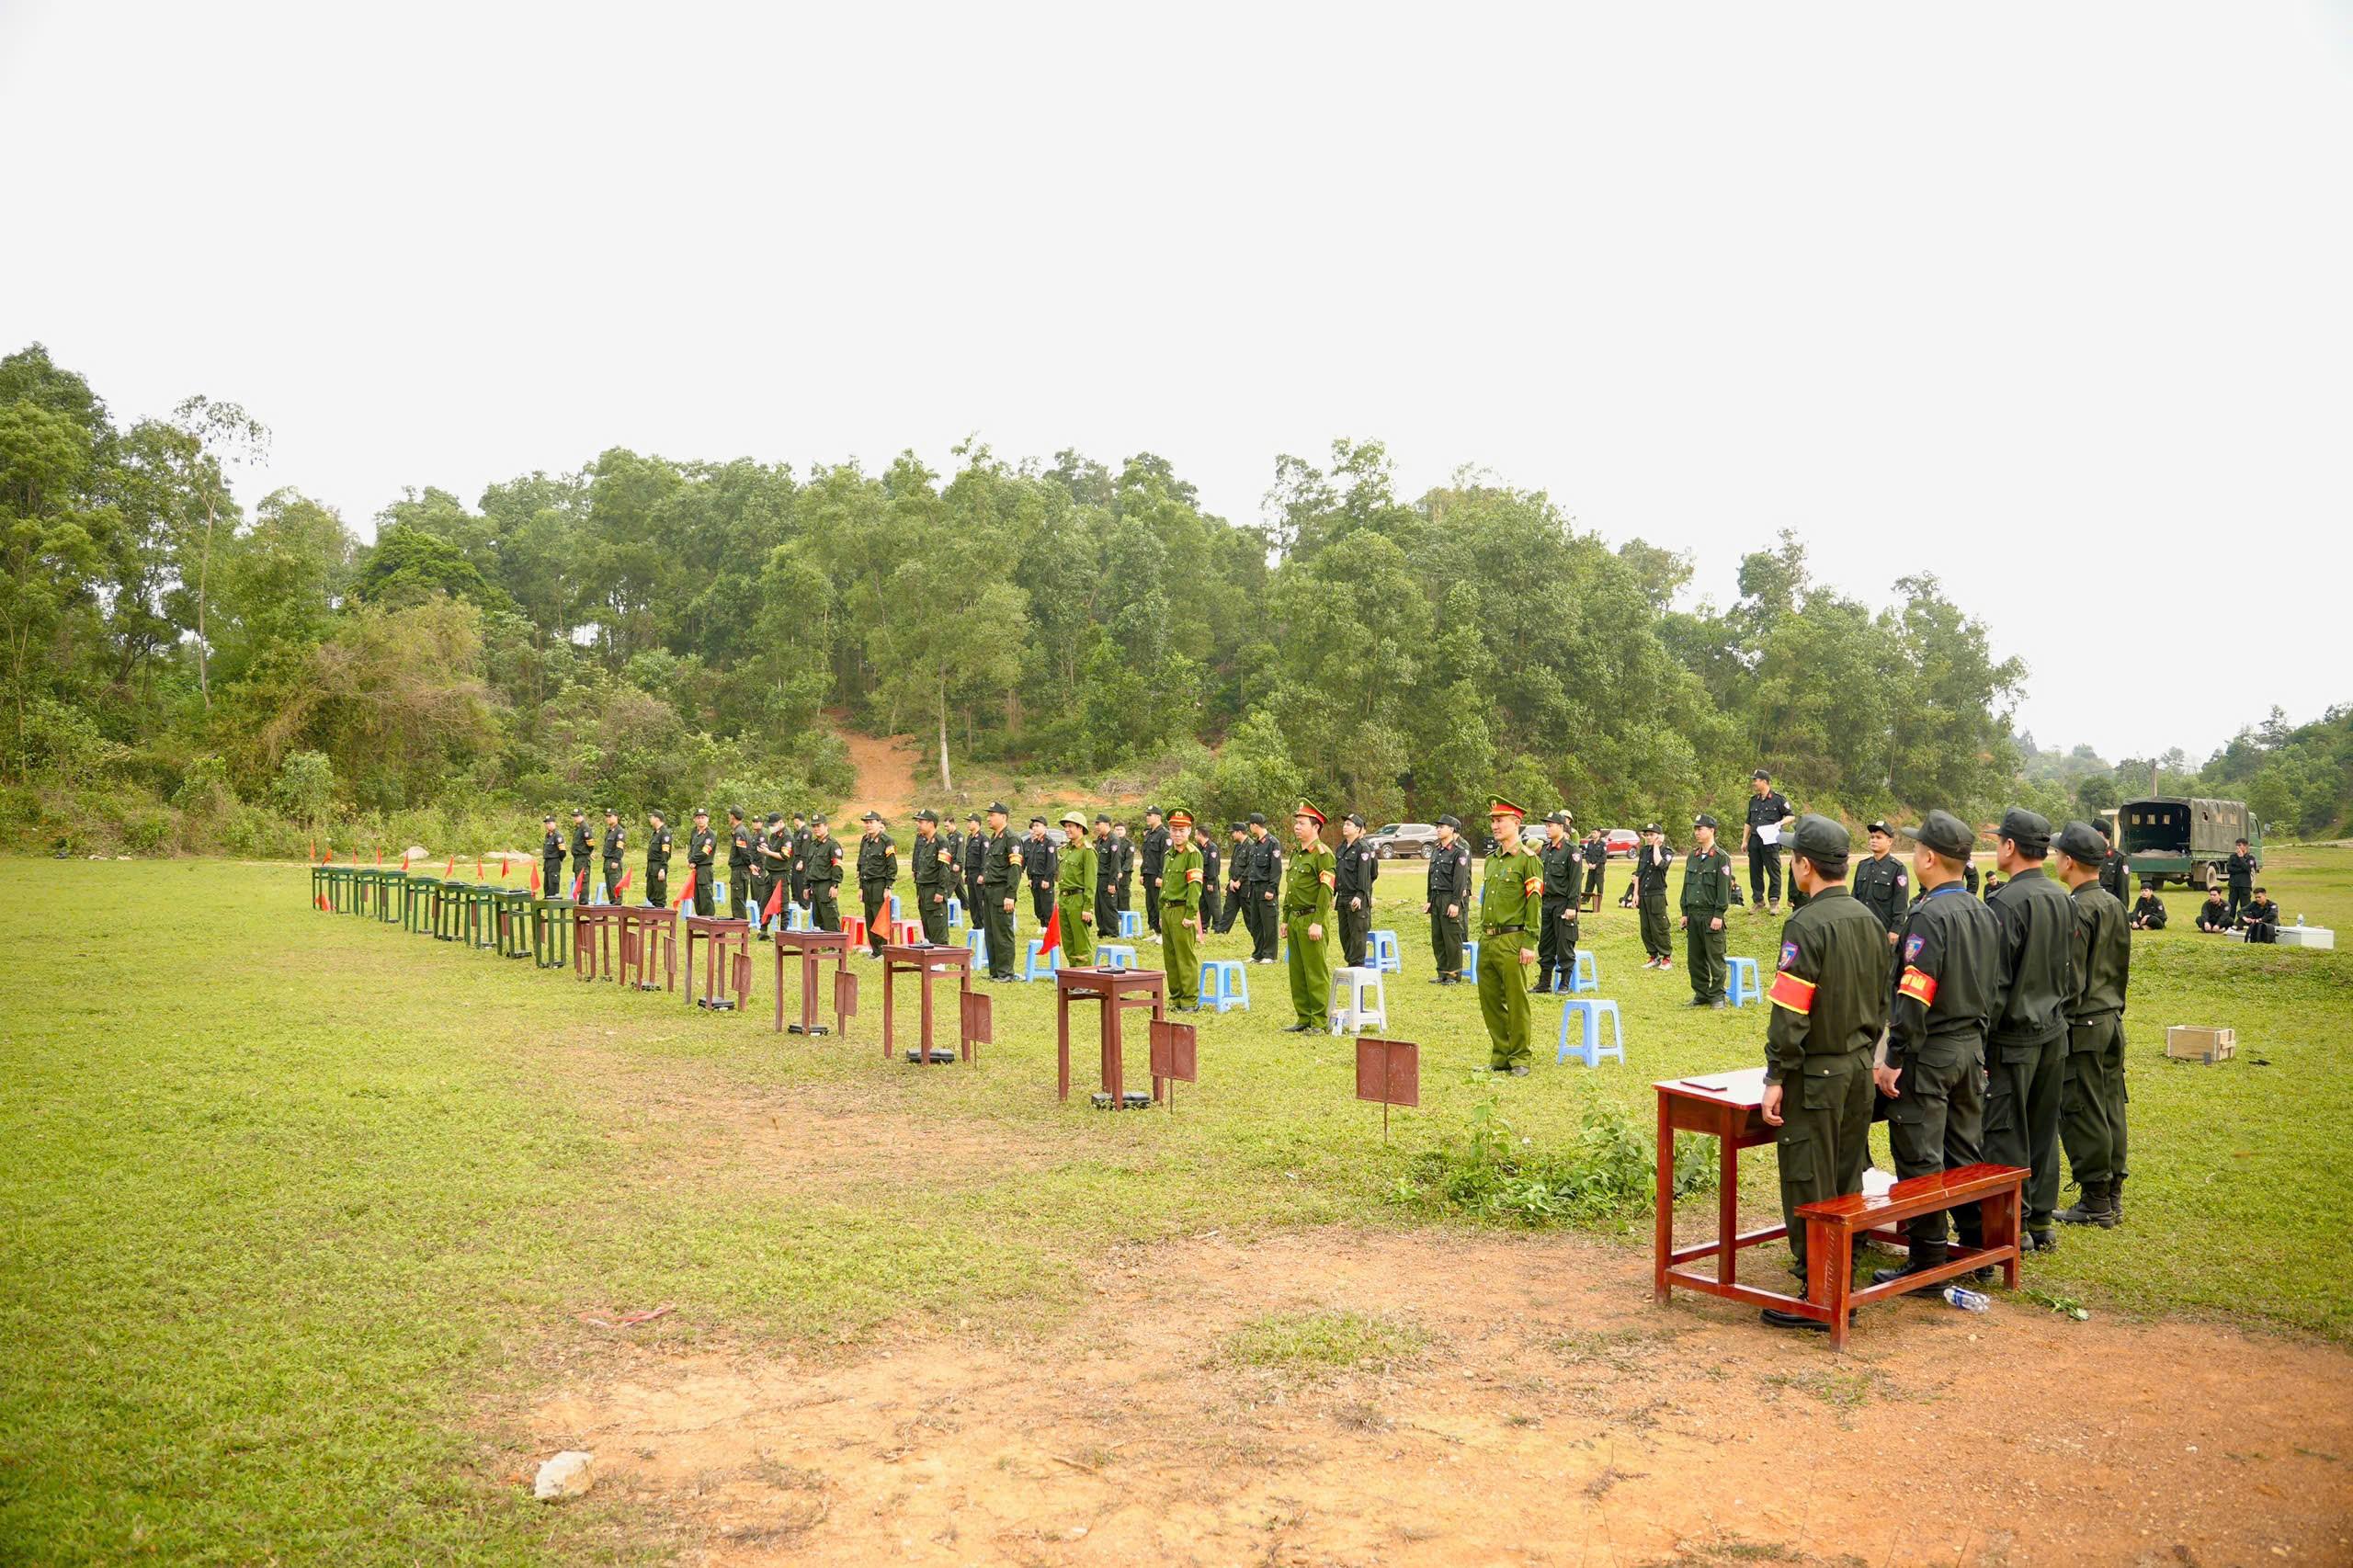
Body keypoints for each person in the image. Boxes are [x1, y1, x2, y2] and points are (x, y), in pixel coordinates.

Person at [1757, 815, 1889, 1327]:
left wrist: (1776, 1077)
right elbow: (1882, 1002)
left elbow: (1791, 1013)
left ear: (1805, 865)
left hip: (1816, 1075)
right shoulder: (1871, 921)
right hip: (1859, 1067)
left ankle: (1820, 1291)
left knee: (1810, 1177)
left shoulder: (1805, 925)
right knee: (1846, 1173)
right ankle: (1839, 1267)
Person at [1869, 810, 1999, 1286]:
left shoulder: (1927, 914)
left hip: (1932, 1050)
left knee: (1920, 1153)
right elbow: (1993, 986)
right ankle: (1975, 1249)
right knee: (1965, 1150)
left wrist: (1894, 1058)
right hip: (1970, 1048)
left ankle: (1928, 1259)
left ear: (1928, 857)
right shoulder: (1983, 910)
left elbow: (1914, 993)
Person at [1984, 808, 2072, 1252]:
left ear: (2011, 847)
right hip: (2054, 1031)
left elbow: (1994, 985)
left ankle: (2013, 1223)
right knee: (2042, 1126)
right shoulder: (2062, 897)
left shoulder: (2005, 904)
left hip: (2013, 1037)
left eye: (2000, 840)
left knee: (2005, 1130)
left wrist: (1982, 1044)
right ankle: (2041, 1221)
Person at [2052, 820, 2131, 1230]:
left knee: (2082, 1109)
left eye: (2057, 854)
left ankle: (2097, 1199)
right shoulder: (2114, 904)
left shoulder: (2077, 908)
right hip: (2110, 1017)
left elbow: (2072, 979)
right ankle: (2111, 1191)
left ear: (2068, 861)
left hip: (2082, 1023)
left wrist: (2058, 1018)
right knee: (2110, 1106)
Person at [1475, 799, 1543, 1074]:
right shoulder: (1491, 862)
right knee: (1490, 1001)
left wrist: (1529, 942)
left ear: (1516, 823)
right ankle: (1500, 1055)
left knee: (1516, 1001)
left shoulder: (1528, 860)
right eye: (1492, 820)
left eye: (1500, 820)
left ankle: (1520, 1058)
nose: (1494, 825)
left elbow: (1534, 903)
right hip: (1488, 939)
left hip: (1512, 939)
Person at [1280, 801, 1336, 1033]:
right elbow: (1291, 888)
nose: (1297, 827)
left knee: (1315, 970)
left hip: (1312, 917)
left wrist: (1318, 922)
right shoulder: (1297, 853)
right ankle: (1304, 1017)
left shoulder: (1322, 855)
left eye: (1302, 823)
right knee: (1298, 971)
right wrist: (1284, 919)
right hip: (1295, 918)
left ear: (1316, 827)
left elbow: (1326, 891)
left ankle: (1319, 1020)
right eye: (1296, 823)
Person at [1680, 812, 1743, 1006]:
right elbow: (1686, 885)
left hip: (1710, 915)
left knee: (1715, 957)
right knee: (1695, 959)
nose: (1696, 832)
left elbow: (1723, 889)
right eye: (1695, 829)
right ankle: (1701, 994)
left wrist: (1718, 914)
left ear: (1712, 830)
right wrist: (1684, 912)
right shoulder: (1693, 856)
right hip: (1693, 914)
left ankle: (1717, 996)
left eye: (1700, 829)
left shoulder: (1721, 858)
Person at [1532, 811, 1581, 994]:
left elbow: (1575, 881)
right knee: (1546, 943)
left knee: (1564, 943)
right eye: (1546, 825)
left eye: (1550, 825)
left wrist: (1571, 906)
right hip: (1546, 903)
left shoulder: (1571, 850)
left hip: (1563, 903)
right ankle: (1544, 982)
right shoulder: (1545, 849)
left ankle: (1564, 983)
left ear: (1561, 827)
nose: (1547, 828)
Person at [1162, 809, 1205, 1007]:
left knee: (1185, 956)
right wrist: (1162, 910)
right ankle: (1176, 997)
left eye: (1181, 830)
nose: (1177, 834)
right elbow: (1165, 885)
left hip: (1182, 910)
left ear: (1189, 831)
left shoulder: (1192, 854)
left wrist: (1190, 914)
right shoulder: (1169, 855)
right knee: (1170, 957)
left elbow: (1194, 887)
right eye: (1173, 829)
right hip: (1168, 910)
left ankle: (1189, 1000)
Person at [1424, 814, 1472, 983]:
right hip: (1436, 897)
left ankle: (1453, 974)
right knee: (1438, 937)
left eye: (1442, 826)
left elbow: (1460, 880)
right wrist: (1429, 899)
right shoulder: (1437, 850)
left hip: (1449, 897)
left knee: (1451, 938)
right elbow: (1432, 877)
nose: (1438, 829)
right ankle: (1442, 972)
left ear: (1451, 830)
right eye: (1437, 826)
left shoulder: (1459, 852)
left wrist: (1455, 903)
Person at [1851, 821, 1910, 958]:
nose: (1873, 840)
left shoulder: (1897, 868)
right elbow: (1854, 896)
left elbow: (1901, 901)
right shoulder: (1863, 865)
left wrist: (1896, 929)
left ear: (1889, 841)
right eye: (1872, 837)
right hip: (1861, 930)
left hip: (1882, 932)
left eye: (1878, 837)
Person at [980, 801, 1023, 981]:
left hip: (1002, 891)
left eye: (992, 815)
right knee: (990, 932)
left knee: (1002, 933)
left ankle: (1006, 973)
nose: (989, 818)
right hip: (989, 890)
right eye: (988, 815)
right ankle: (995, 971)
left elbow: (1015, 868)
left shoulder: (1011, 838)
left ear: (1003, 817)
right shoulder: (994, 837)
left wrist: (1010, 895)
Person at [1743, 769, 1795, 915]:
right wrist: (1744, 841)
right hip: (1755, 839)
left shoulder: (1778, 799)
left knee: (1773, 870)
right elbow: (1748, 822)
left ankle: (1774, 901)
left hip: (1770, 840)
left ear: (1764, 781)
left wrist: (1780, 823)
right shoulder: (1753, 800)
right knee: (1755, 870)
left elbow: (1791, 816)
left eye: (1756, 780)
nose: (1754, 783)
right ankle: (1758, 901)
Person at [1334, 812, 1379, 970]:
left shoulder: (1363, 848)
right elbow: (1337, 872)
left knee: (1358, 933)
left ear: (1358, 829)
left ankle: (1357, 964)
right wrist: (1333, 893)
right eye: (1344, 824)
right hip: (1342, 896)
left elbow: (1367, 875)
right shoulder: (1341, 848)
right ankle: (1351, 962)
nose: (1345, 827)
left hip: (1356, 897)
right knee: (1344, 933)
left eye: (1349, 824)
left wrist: (1360, 895)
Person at [1054, 809, 1097, 965]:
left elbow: (1091, 882)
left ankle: (1086, 979)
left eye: (1070, 826)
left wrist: (1088, 907)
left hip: (1078, 901)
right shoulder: (1067, 850)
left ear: (1080, 828)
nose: (1067, 829)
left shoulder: (1087, 851)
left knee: (1081, 942)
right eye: (1065, 826)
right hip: (1065, 899)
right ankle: (1073, 977)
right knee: (1068, 942)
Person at [1631, 824, 1675, 969]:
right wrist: (1635, 894)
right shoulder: (1643, 851)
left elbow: (1659, 864)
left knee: (1659, 927)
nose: (1649, 837)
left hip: (1657, 894)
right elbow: (1638, 873)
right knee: (1646, 928)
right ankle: (1653, 956)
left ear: (1659, 836)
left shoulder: (1666, 851)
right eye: (1647, 835)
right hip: (1643, 893)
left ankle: (1666, 957)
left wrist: (1656, 846)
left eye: (1652, 834)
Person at [855, 811, 896, 955]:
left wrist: (888, 886)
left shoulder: (886, 841)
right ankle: (875, 950)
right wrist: (860, 886)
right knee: (869, 916)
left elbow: (892, 866)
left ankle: (883, 949)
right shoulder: (865, 840)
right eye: (866, 823)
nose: (868, 825)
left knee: (880, 917)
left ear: (879, 823)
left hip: (879, 883)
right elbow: (861, 863)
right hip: (866, 883)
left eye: (871, 822)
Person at [1242, 812, 1281, 963]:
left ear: (1255, 825)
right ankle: (1258, 953)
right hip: (1254, 887)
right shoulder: (1255, 844)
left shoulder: (1272, 843)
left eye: (1250, 825)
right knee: (1256, 922)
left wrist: (1272, 889)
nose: (1250, 828)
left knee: (1269, 923)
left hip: (1266, 887)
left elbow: (1276, 869)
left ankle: (1269, 954)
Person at [911, 810, 955, 943]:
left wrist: (941, 891)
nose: (918, 824)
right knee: (927, 929)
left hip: (934, 890)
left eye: (921, 822)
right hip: (924, 891)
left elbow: (944, 869)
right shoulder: (925, 843)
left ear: (931, 823)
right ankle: (930, 960)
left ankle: (940, 961)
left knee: (938, 930)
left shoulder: (941, 842)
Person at [804, 817, 844, 931]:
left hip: (826, 884)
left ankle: (835, 944)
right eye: (814, 826)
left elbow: (837, 866)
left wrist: (835, 884)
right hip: (814, 885)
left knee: (830, 915)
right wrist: (806, 886)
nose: (816, 829)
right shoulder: (813, 845)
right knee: (818, 917)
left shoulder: (833, 845)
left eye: (819, 826)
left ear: (826, 826)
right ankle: (825, 943)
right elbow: (809, 866)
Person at [1139, 806, 1170, 937]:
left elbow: (1165, 856)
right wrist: (1141, 873)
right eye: (1147, 814)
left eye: (1150, 815)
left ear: (1158, 817)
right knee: (1150, 904)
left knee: (1159, 904)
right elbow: (1145, 855)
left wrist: (1161, 876)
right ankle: (1156, 931)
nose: (1147, 817)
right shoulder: (1149, 834)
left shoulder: (1164, 834)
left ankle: (1163, 933)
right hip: (1148, 873)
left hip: (1157, 875)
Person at [1025, 816, 1058, 928]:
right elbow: (1031, 861)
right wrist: (1029, 877)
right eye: (1034, 826)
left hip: (1044, 878)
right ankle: (1042, 925)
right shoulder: (1034, 843)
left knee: (1047, 904)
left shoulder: (1049, 843)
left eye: (1037, 825)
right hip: (1034, 878)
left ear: (1044, 827)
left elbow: (1051, 863)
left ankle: (1048, 926)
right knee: (1038, 904)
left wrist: (1047, 879)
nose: (1035, 828)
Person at [1091, 815, 1120, 939]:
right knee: (1099, 906)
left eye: (1099, 824)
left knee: (1109, 905)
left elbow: (1115, 862)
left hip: (1108, 878)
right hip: (1098, 877)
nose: (1097, 827)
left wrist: (1112, 882)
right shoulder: (1100, 839)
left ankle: (1112, 932)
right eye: (1096, 824)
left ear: (1107, 824)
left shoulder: (1113, 839)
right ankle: (1102, 930)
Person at [1214, 823, 1245, 934]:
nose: (1231, 835)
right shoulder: (1237, 846)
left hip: (1244, 886)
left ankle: (1256, 932)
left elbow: (1250, 867)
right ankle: (1221, 931)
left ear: (1239, 832)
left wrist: (1239, 881)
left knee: (1248, 913)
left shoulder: (1250, 846)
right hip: (1233, 884)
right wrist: (1231, 880)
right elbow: (1232, 865)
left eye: (1233, 832)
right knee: (1229, 908)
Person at [725, 808, 755, 920]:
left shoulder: (739, 832)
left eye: (729, 815)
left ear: (733, 816)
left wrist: (749, 863)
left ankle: (740, 925)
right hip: (740, 870)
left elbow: (743, 851)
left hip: (739, 870)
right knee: (739, 898)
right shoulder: (742, 830)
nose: (728, 818)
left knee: (738, 899)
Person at [687, 808, 716, 916]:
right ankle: (700, 919)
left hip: (705, 868)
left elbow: (705, 852)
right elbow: (692, 848)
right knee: (697, 896)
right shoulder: (694, 832)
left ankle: (709, 919)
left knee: (705, 895)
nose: (700, 820)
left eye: (703, 817)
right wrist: (689, 859)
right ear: (694, 819)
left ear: (707, 819)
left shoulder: (710, 834)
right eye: (698, 818)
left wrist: (692, 860)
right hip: (696, 869)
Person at [960, 813, 989, 922]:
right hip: (971, 872)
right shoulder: (970, 838)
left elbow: (985, 858)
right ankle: (976, 923)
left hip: (978, 872)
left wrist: (982, 874)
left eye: (970, 822)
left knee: (980, 899)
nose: (968, 824)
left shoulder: (983, 838)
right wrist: (966, 873)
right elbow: (968, 857)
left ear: (977, 823)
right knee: (972, 900)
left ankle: (983, 923)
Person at [2096, 823, 2131, 908]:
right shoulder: (2091, 855)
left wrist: (2123, 912)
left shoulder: (2118, 857)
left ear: (2100, 834)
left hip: (2110, 908)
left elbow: (2123, 889)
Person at [1198, 822, 1223, 935]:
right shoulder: (1200, 848)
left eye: (1196, 834)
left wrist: (1211, 882)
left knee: (1214, 904)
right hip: (1201, 879)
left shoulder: (1212, 848)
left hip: (1210, 880)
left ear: (1200, 835)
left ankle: (1218, 925)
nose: (1195, 837)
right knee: (1203, 903)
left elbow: (1214, 866)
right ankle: (1203, 925)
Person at [2223, 839, 2257, 925]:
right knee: (2231, 905)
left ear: (2245, 846)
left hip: (2244, 885)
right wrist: (2241, 869)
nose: (2237, 847)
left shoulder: (2251, 858)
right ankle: (2229, 923)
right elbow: (2229, 869)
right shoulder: (2232, 857)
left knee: (2245, 906)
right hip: (2233, 884)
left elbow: (2247, 868)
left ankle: (2245, 923)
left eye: (2240, 845)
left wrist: (2241, 858)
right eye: (2237, 845)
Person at [567, 808, 596, 903]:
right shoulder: (578, 827)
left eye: (577, 816)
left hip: (582, 858)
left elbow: (590, 843)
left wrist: (588, 852)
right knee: (578, 880)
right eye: (574, 816)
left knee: (583, 881)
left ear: (582, 816)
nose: (575, 818)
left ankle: (584, 902)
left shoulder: (584, 828)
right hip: (577, 858)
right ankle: (581, 901)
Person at [1111, 821, 1137, 924]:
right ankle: (1114, 917)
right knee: (1113, 895)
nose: (1119, 832)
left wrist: (1121, 872)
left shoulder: (1129, 844)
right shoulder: (1112, 842)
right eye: (1117, 830)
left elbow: (1129, 860)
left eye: (1121, 829)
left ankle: (1124, 918)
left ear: (1125, 831)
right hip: (1113, 873)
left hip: (1124, 874)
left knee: (1123, 895)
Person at [599, 810, 626, 904]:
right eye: (607, 816)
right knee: (609, 887)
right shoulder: (609, 831)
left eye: (610, 816)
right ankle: (612, 905)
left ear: (616, 817)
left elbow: (619, 847)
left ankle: (617, 906)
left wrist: (616, 860)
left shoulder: (620, 831)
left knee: (615, 886)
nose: (608, 818)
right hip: (607, 861)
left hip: (614, 861)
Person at [788, 812, 813, 911]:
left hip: (802, 859)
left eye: (794, 820)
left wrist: (802, 861)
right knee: (796, 880)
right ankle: (797, 900)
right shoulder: (798, 832)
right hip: (796, 859)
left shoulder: (806, 832)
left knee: (802, 881)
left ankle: (805, 904)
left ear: (797, 820)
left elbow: (805, 848)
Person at [539, 815, 564, 901]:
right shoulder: (548, 835)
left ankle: (553, 899)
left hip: (554, 860)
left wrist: (558, 859)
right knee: (547, 882)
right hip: (547, 861)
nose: (547, 825)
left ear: (554, 823)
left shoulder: (558, 835)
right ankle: (547, 898)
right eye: (546, 823)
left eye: (549, 823)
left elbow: (562, 851)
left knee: (553, 881)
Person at [1581, 829, 1608, 909]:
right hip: (1591, 867)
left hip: (1599, 868)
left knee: (1599, 885)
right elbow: (1587, 854)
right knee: (1589, 884)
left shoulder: (1602, 844)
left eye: (1594, 833)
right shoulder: (1590, 843)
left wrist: (1596, 865)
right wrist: (1589, 863)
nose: (1593, 834)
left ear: (1599, 834)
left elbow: (1603, 857)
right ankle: (1585, 899)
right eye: (1592, 832)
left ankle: (1599, 900)